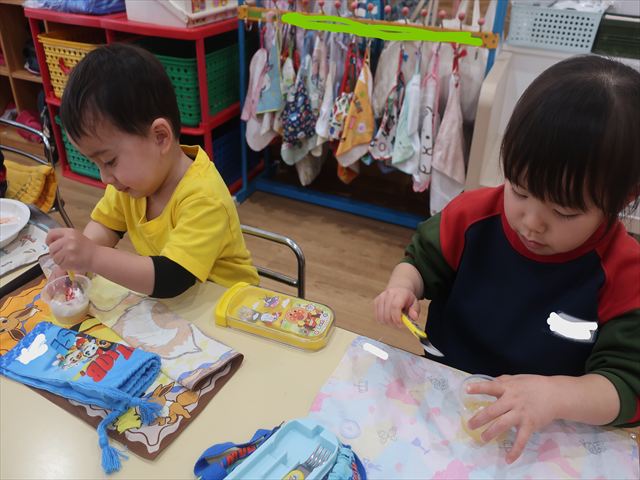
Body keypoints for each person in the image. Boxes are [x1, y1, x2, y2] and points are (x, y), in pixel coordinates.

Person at [374, 55, 640, 462]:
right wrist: (403, 286)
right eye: (519, 190)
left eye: (564, 212)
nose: (531, 223)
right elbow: (421, 258)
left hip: (544, 435)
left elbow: (627, 385)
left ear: (624, 198)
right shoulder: (473, 216)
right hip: (446, 399)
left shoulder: (625, 274)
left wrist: (556, 394)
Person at [46, 44, 259, 298]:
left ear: (160, 137)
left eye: (110, 161)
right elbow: (106, 226)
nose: (104, 177)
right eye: (97, 164)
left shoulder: (204, 196)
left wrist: (92, 256)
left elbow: (172, 278)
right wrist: (75, 263)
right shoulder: (130, 186)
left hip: (231, 306)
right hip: (184, 307)